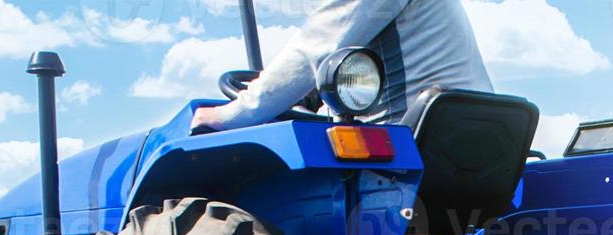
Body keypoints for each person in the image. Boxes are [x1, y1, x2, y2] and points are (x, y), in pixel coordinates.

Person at [191, 0, 492, 133]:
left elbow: (314, 50)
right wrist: (309, 94)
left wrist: (233, 114)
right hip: (475, 142)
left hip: (411, 139)